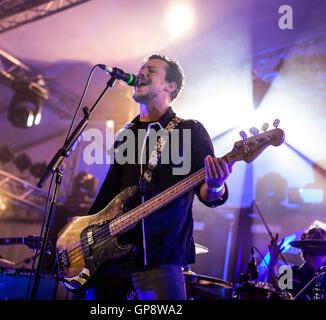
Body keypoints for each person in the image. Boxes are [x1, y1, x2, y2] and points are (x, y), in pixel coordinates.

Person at [84, 54, 231, 300]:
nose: (140, 73)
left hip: (158, 257)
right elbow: (110, 193)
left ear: (170, 86)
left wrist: (216, 185)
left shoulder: (190, 130)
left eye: (150, 70)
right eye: (141, 68)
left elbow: (208, 193)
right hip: (109, 259)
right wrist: (83, 234)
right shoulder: (126, 133)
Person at [268, 226, 326, 300]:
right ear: (302, 243)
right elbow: (274, 293)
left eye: (323, 232)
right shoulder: (288, 272)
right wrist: (273, 259)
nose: (318, 232)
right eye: (312, 231)